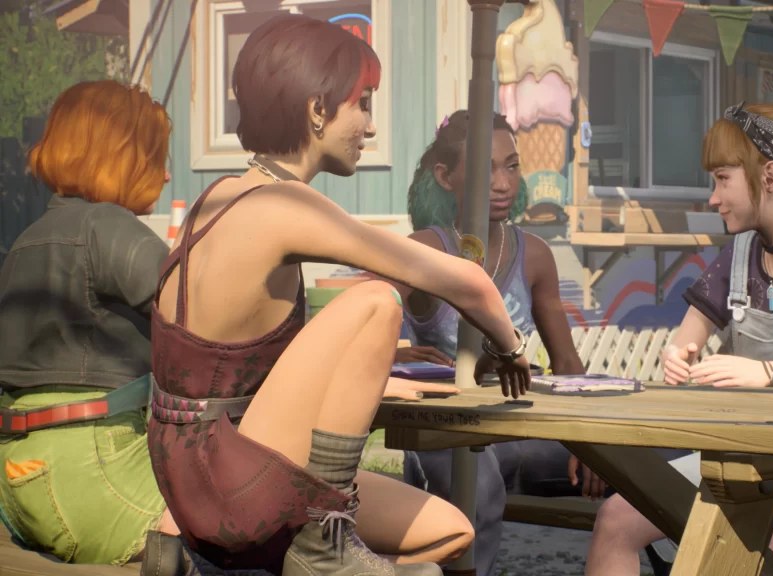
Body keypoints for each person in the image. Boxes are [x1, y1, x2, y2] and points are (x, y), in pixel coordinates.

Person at [140, 15, 536, 576]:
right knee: (375, 303)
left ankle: (192, 556)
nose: (370, 128)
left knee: (452, 532)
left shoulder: (217, 197)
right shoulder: (288, 206)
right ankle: (326, 543)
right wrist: (509, 346)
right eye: (364, 104)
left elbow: (232, 367)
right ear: (318, 109)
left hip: (183, 478)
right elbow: (464, 280)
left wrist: (379, 370)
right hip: (230, 479)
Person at [585, 102, 773, 576]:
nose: (713, 198)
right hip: (745, 457)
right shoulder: (737, 258)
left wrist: (764, 373)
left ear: (768, 175)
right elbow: (686, 340)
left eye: (723, 179)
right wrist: (677, 357)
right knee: (617, 517)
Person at [391, 110, 605, 576]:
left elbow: (568, 362)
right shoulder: (425, 250)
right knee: (476, 484)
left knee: (645, 468)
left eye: (511, 166)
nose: (503, 181)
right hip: (447, 431)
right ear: (446, 177)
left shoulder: (535, 255)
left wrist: (593, 445)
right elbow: (358, 311)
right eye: (486, 167)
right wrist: (395, 354)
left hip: (523, 428)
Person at [0, 80, 177, 565]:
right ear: (117, 156)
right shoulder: (109, 228)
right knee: (245, 523)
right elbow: (200, 320)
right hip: (94, 473)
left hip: (19, 478)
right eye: (155, 157)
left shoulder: (26, 241)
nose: (165, 176)